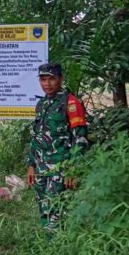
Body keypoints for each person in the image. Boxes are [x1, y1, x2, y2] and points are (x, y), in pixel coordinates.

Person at [26, 63, 89, 231]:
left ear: (61, 79)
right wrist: (31, 165)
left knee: (58, 212)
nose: (47, 84)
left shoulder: (71, 103)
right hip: (41, 168)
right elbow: (36, 136)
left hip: (61, 169)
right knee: (43, 209)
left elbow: (80, 139)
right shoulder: (42, 105)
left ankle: (57, 249)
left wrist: (74, 170)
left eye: (51, 79)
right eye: (43, 79)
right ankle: (47, 246)